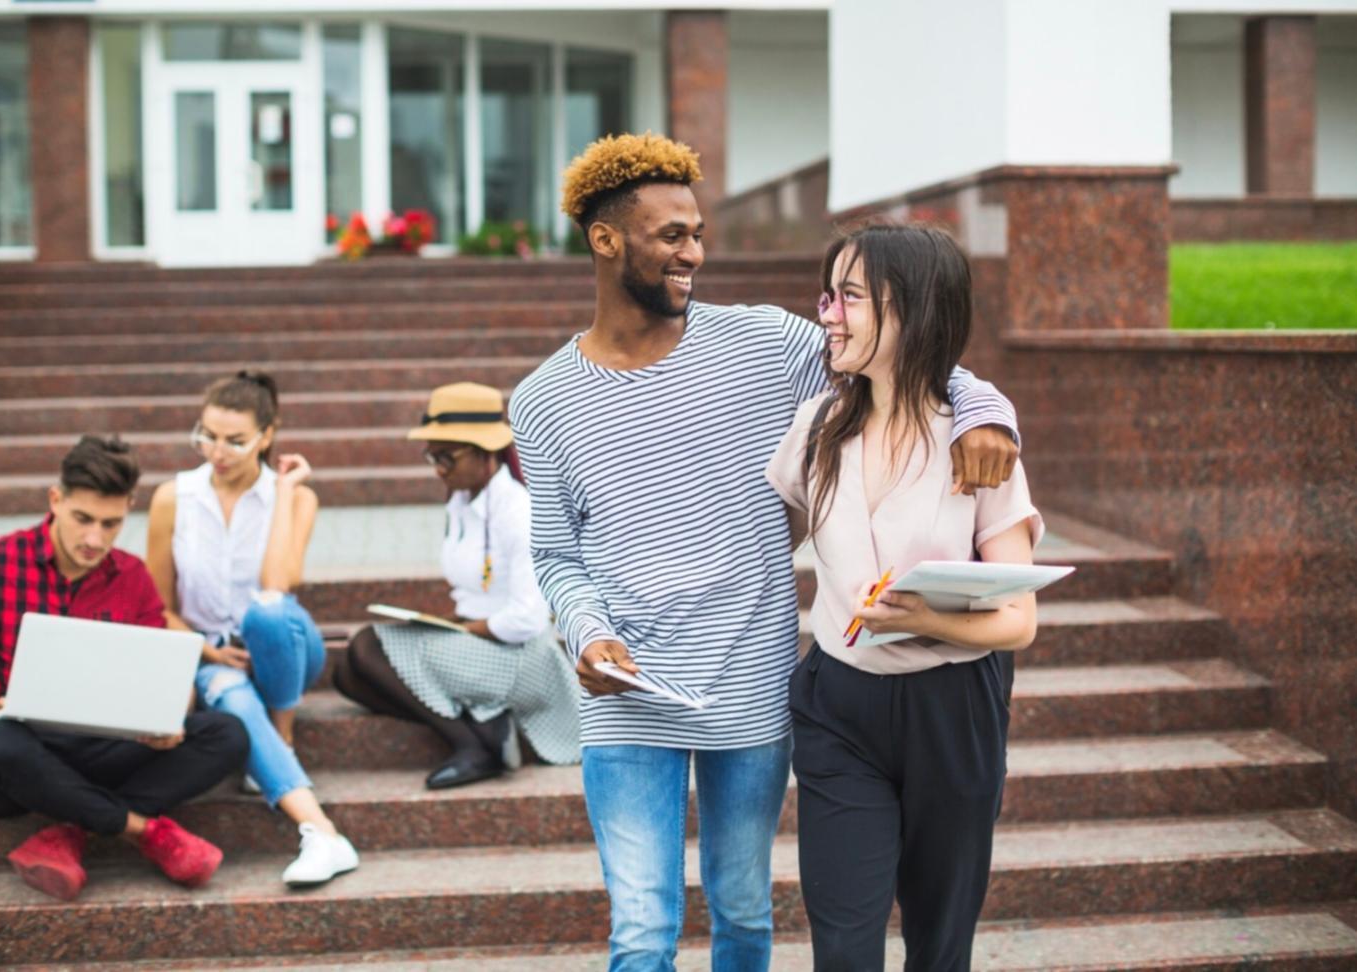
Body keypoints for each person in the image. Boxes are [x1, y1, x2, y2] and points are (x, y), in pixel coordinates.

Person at [506, 132, 1022, 971]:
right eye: (672, 235)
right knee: (640, 932)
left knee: (744, 914)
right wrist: (585, 629)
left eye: (699, 232)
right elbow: (559, 554)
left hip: (747, 682)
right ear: (605, 240)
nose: (695, 253)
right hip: (625, 690)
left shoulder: (763, 345)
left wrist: (986, 410)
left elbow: (902, 357)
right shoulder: (541, 399)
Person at [766, 224, 1042, 971]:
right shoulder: (815, 430)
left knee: (939, 942)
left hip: (954, 710)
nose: (827, 313)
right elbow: (768, 542)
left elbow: (1019, 621)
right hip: (839, 706)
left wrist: (923, 617)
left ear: (913, 310)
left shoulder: (979, 443)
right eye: (829, 293)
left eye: (849, 296)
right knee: (846, 946)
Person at [0, 435, 248, 901]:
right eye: (83, 519)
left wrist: (167, 719)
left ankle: (71, 831)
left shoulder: (132, 578)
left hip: (102, 748)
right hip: (12, 757)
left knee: (226, 734)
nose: (94, 539)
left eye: (111, 524)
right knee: (0, 745)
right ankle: (144, 830)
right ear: (55, 500)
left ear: (128, 509)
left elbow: (168, 678)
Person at [145, 371, 358, 888]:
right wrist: (208, 654)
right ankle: (323, 833)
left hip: (285, 648)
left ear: (266, 435)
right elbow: (156, 608)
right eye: (208, 436)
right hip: (213, 656)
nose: (217, 451)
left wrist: (282, 492)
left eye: (235, 441)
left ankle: (281, 726)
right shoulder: (174, 498)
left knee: (264, 609)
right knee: (233, 698)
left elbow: (277, 583)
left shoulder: (296, 498)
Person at [332, 382, 579, 789]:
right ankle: (487, 726)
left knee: (366, 647)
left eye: (446, 457)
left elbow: (527, 619)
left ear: (485, 453)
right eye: (432, 456)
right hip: (479, 641)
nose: (437, 468)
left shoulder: (519, 512)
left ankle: (472, 746)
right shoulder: (462, 500)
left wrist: (461, 631)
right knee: (348, 676)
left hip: (521, 655)